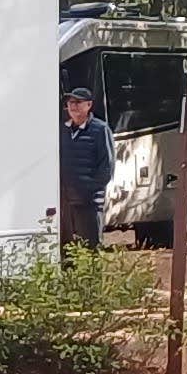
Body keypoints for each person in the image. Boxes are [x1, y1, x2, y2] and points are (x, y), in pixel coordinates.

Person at [59, 83, 111, 251]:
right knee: (69, 252)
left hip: (89, 202)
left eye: (78, 102)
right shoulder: (62, 130)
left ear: (89, 105)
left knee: (90, 249)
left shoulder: (100, 129)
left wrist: (88, 190)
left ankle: (92, 278)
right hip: (66, 203)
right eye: (70, 103)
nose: (73, 106)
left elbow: (106, 168)